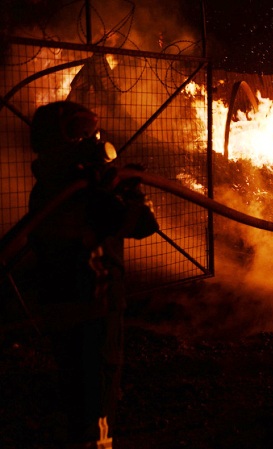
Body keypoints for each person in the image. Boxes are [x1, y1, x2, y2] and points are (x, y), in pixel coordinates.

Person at [27, 101, 159, 449]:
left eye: (89, 131)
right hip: (94, 310)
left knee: (75, 393)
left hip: (61, 310)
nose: (90, 140)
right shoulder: (88, 195)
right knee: (98, 397)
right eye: (79, 132)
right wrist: (130, 192)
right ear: (56, 140)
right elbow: (144, 225)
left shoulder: (46, 189)